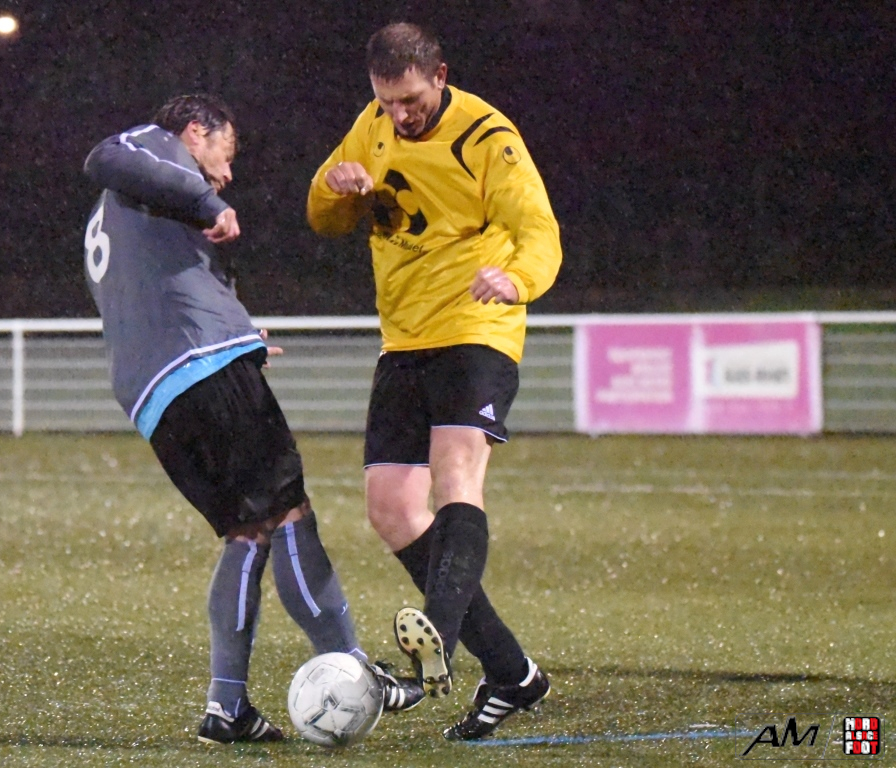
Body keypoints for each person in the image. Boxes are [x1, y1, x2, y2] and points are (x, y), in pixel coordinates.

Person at [82, 94, 424, 745]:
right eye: (225, 153)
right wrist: (207, 203)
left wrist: (238, 332)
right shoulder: (152, 149)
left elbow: (159, 286)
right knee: (290, 514)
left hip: (156, 395)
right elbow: (104, 155)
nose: (228, 172)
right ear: (194, 131)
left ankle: (227, 707)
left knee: (246, 532)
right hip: (201, 368)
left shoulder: (115, 214)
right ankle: (356, 671)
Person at [306, 23, 563, 740]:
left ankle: (433, 654)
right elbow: (323, 217)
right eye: (387, 101)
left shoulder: (488, 138)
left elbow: (540, 232)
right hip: (404, 339)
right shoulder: (373, 124)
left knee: (456, 479)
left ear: (440, 76)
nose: (400, 114)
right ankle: (512, 673)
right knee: (390, 509)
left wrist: (516, 279)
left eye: (412, 100)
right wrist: (334, 187)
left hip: (476, 329)